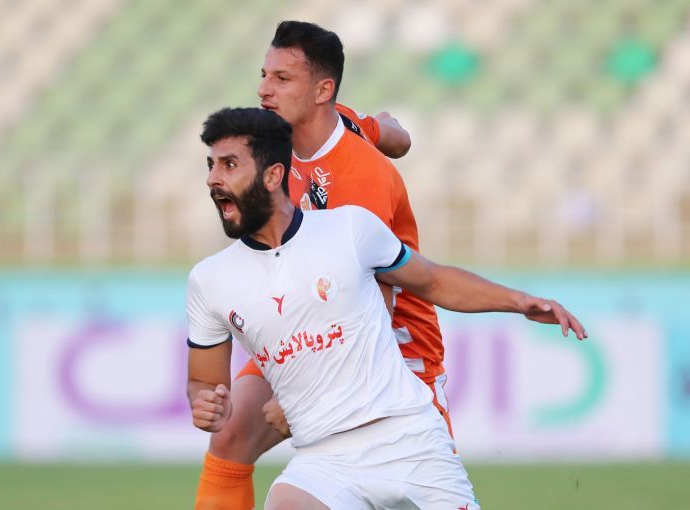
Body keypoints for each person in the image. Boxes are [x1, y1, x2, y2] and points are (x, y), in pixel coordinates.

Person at [187, 107, 586, 509]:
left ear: (273, 176)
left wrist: (518, 301)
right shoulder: (210, 280)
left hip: (408, 441)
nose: (212, 179)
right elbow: (204, 382)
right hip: (323, 460)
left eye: (229, 165)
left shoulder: (349, 229)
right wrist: (206, 402)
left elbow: (433, 281)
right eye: (210, 165)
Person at [193, 21, 448, 510]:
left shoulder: (361, 178)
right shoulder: (306, 137)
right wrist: (394, 135)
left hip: (391, 346)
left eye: (281, 78)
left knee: (409, 491)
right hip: (308, 327)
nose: (264, 89)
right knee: (229, 437)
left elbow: (373, 301)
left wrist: (307, 398)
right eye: (264, 76)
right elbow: (389, 131)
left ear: (322, 91)